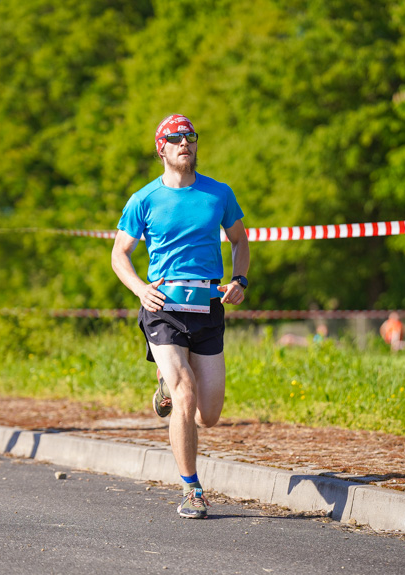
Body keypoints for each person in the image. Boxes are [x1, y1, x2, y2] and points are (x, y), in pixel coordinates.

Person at [111, 114, 250, 519]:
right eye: (176, 138)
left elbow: (240, 240)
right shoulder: (144, 199)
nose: (185, 143)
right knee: (185, 388)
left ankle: (165, 385)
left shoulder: (218, 194)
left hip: (208, 305)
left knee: (209, 415)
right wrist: (140, 289)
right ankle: (192, 490)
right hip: (163, 307)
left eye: (190, 137)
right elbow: (120, 254)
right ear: (161, 148)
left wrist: (240, 278)